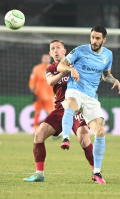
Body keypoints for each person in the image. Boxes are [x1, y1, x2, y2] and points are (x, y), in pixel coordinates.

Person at [58, 26, 120, 184]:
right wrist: (70, 69)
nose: (94, 41)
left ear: (104, 40)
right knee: (70, 104)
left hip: (91, 97)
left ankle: (97, 173)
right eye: (92, 37)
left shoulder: (108, 55)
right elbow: (61, 66)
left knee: (100, 131)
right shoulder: (79, 50)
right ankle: (65, 138)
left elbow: (106, 75)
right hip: (75, 89)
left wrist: (114, 80)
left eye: (97, 38)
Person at [23, 40, 94, 182]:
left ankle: (96, 172)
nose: (55, 51)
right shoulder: (50, 69)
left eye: (58, 48)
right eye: (52, 49)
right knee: (38, 135)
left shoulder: (77, 65)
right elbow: (50, 82)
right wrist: (63, 71)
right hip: (60, 110)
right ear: (50, 53)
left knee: (84, 140)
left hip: (76, 109)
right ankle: (39, 174)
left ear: (64, 51)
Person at [28, 54, 55, 132]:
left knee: (51, 114)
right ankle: (35, 129)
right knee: (37, 112)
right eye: (44, 58)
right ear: (42, 59)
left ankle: (52, 130)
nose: (46, 59)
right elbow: (32, 80)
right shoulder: (36, 68)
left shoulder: (53, 68)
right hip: (38, 95)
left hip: (49, 96)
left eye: (47, 58)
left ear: (50, 59)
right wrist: (32, 92)